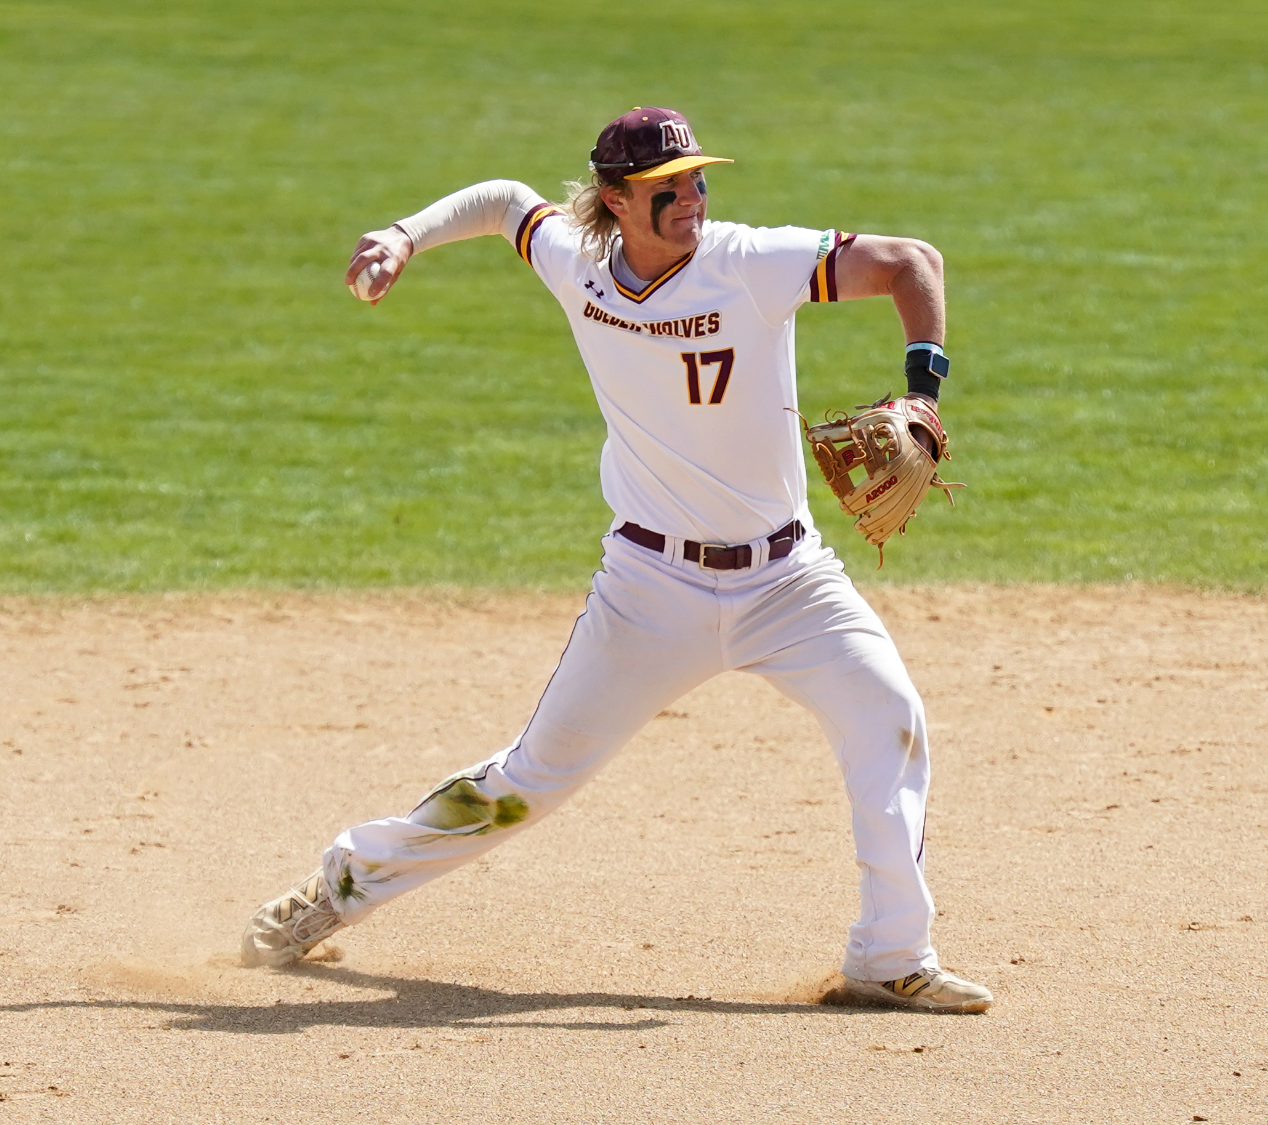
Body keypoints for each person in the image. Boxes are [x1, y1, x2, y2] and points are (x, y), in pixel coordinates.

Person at [240, 107, 990, 1014]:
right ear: (615, 200)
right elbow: (503, 203)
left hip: (789, 581)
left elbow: (916, 262)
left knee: (889, 716)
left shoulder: (747, 261)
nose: (693, 200)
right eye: (667, 190)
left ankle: (889, 954)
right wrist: (405, 236)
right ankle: (338, 888)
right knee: (529, 784)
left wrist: (923, 393)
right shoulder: (579, 264)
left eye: (699, 181)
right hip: (650, 589)